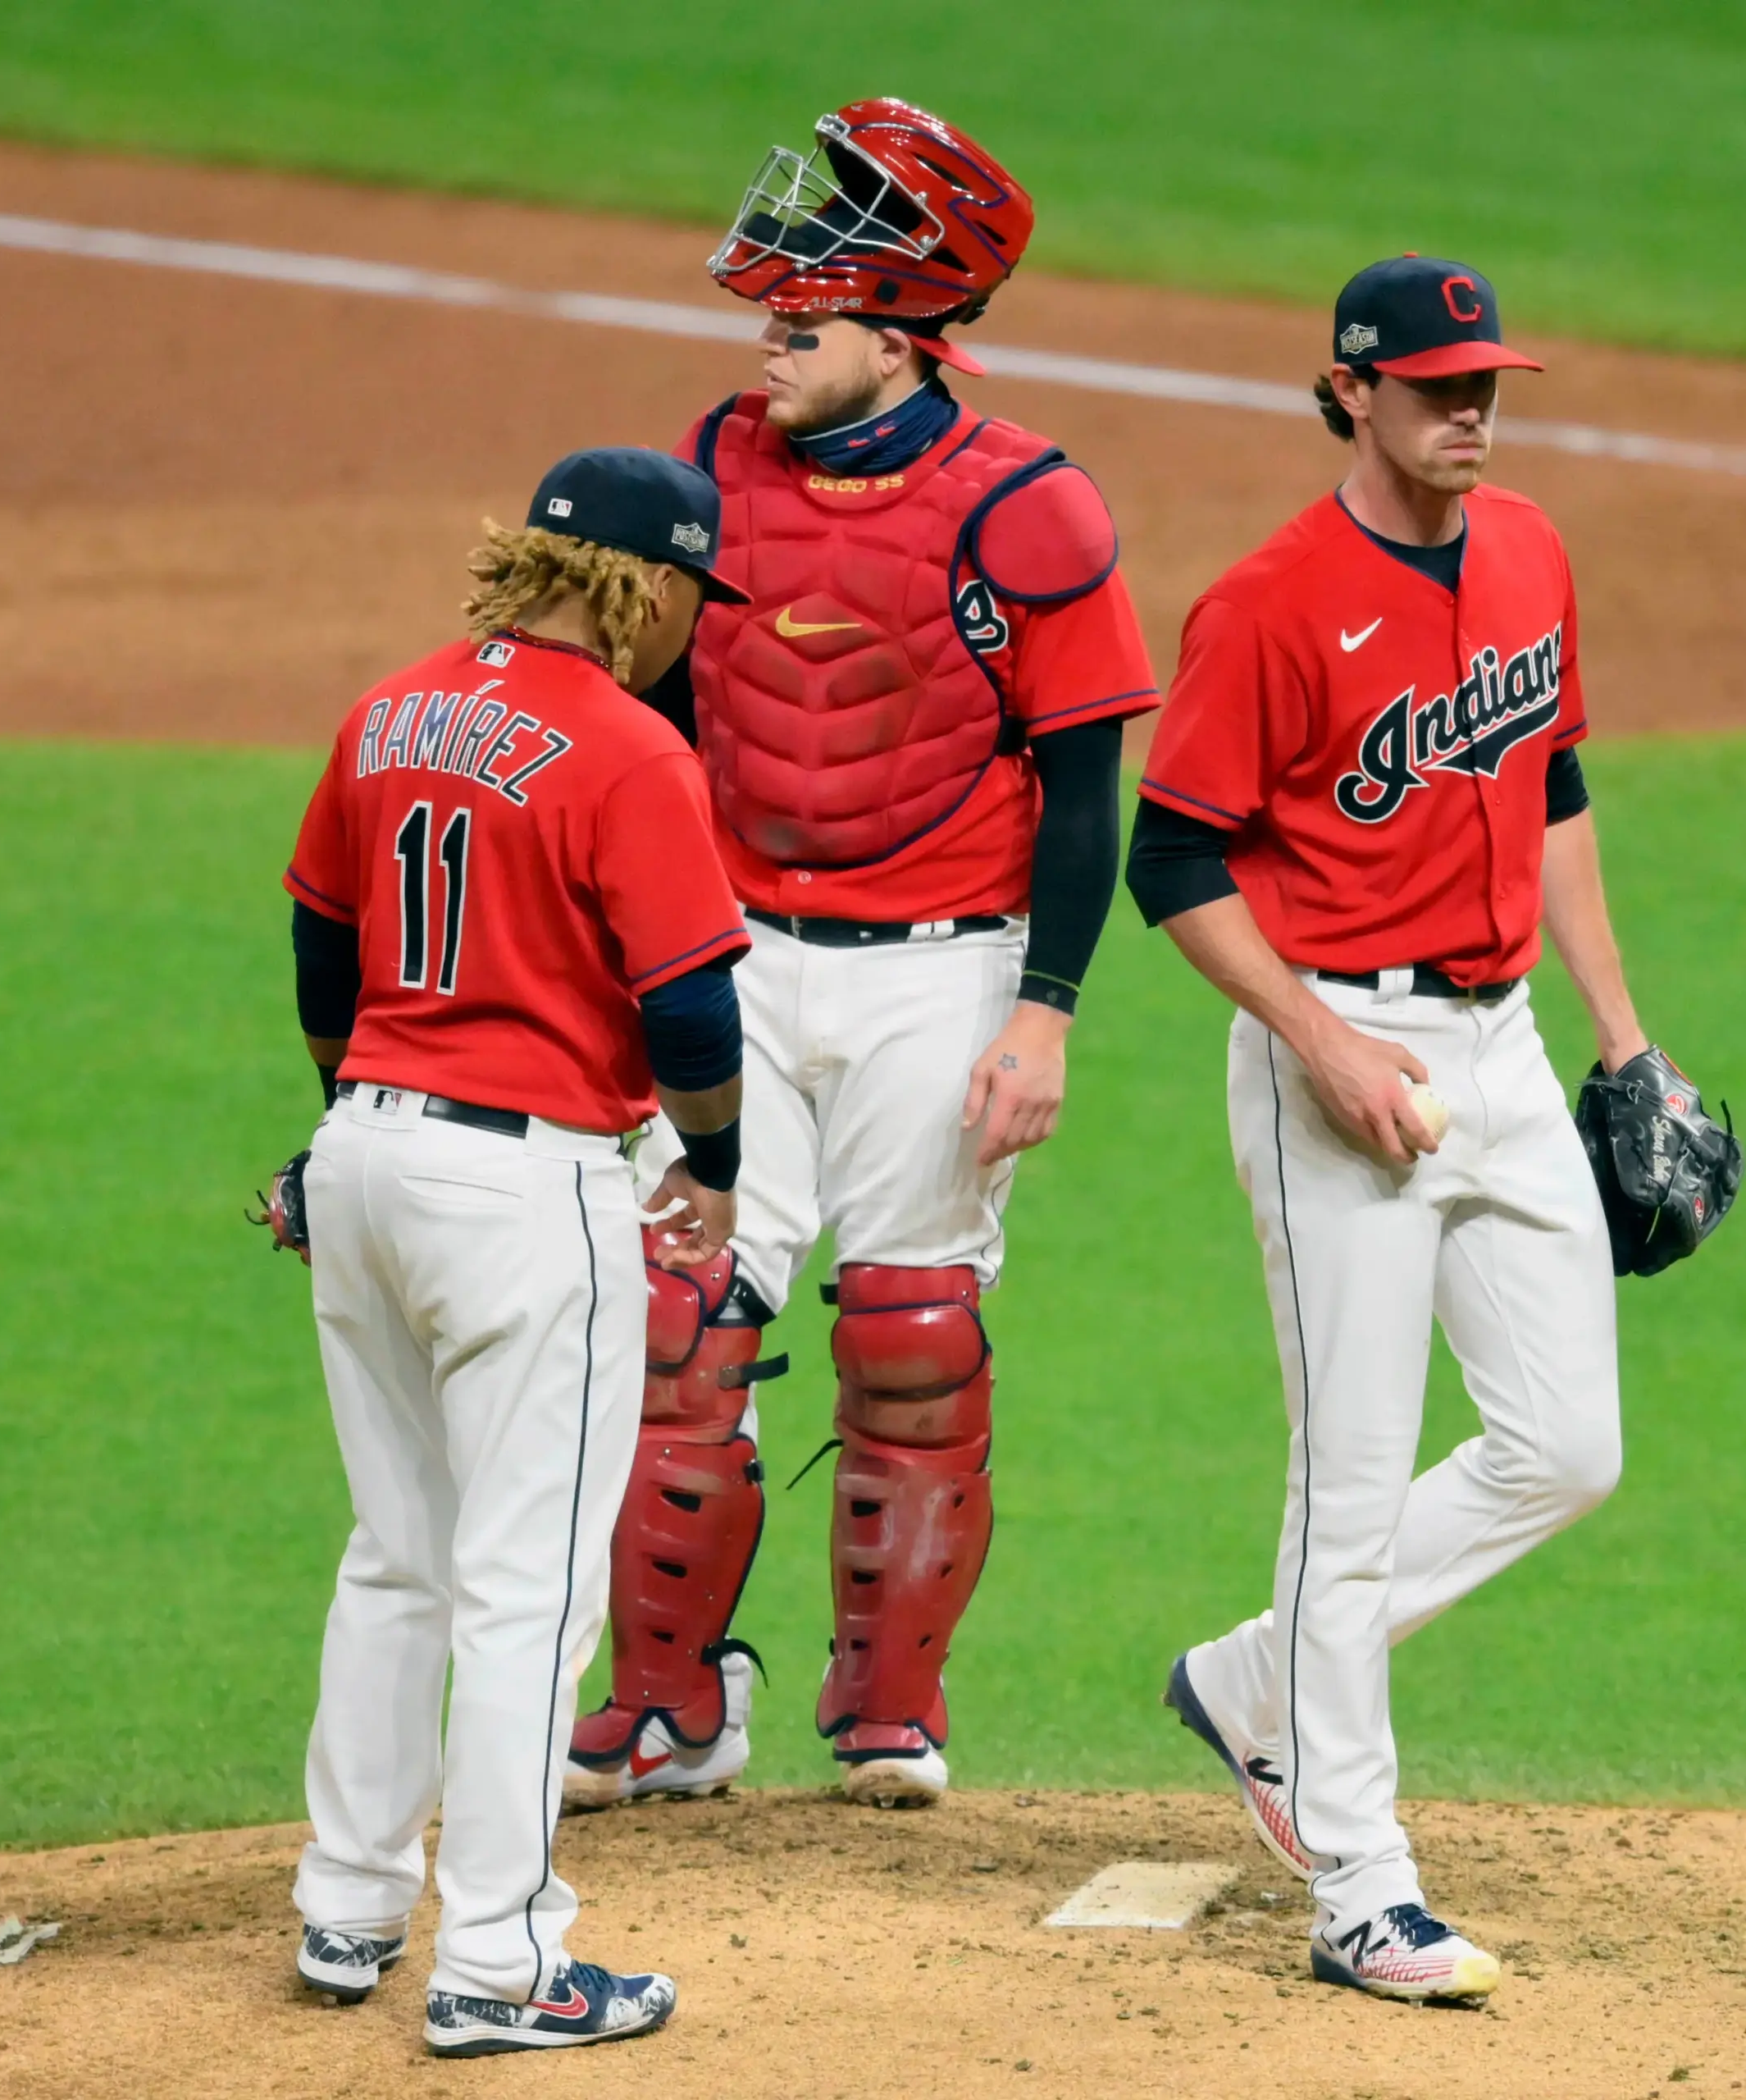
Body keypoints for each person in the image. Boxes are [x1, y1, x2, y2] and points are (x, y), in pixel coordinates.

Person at [565, 97, 1158, 1813]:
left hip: (941, 969)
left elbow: (1085, 785)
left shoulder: (1032, 509)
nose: (769, 333)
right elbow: (656, 719)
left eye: (805, 317)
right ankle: (670, 1704)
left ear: (903, 337)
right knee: (683, 1323)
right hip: (737, 953)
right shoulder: (711, 460)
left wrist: (1043, 1017)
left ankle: (889, 1702)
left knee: (907, 1328)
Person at [1126, 258, 1689, 2003]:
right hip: (1335, 1063)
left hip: (1505, 1045)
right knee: (1350, 1484)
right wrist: (1320, 1043)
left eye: (1487, 382)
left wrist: (1628, 1039)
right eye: (1439, 383)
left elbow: (1560, 794)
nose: (1471, 409)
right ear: (1352, 390)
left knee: (1567, 1443)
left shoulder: (1530, 547)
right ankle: (1362, 1880)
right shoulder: (1272, 603)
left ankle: (1259, 1676)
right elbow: (1175, 862)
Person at [268, 448, 753, 2055]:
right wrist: (724, 1162)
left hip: (367, 1161)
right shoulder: (629, 746)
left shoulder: (388, 709)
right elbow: (689, 1008)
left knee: (394, 1548)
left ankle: (346, 1907)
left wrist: (351, 1120)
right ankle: (499, 1959)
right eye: (696, 595)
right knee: (527, 1591)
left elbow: (322, 947)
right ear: (654, 585)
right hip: (524, 1187)